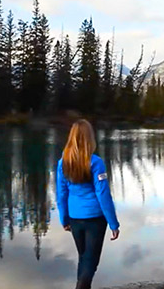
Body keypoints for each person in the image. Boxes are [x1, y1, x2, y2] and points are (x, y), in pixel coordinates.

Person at [56, 119, 120, 289]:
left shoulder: (63, 162)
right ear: (89, 138)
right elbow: (103, 194)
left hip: (75, 217)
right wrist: (113, 223)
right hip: (95, 218)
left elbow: (61, 194)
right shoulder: (95, 162)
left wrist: (64, 219)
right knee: (91, 261)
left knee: (84, 258)